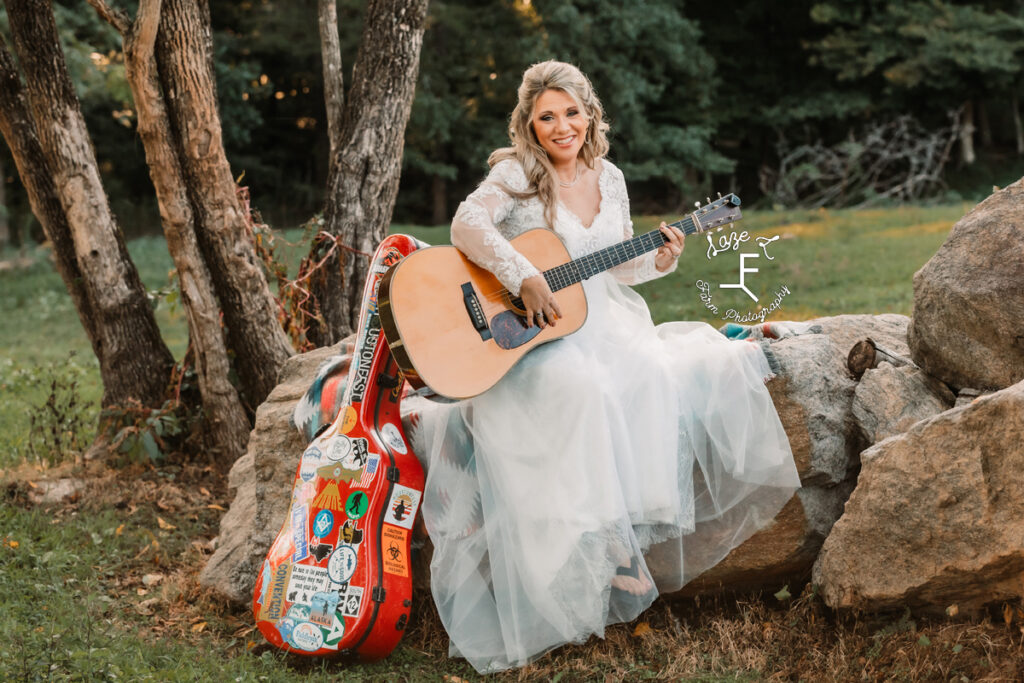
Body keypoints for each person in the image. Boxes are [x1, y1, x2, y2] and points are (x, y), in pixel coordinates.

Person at [412, 60, 800, 673]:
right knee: (582, 388)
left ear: (590, 115)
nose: (561, 127)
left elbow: (613, 264)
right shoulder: (516, 173)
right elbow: (465, 224)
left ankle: (620, 545)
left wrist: (663, 260)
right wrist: (525, 275)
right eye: (547, 116)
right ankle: (598, 551)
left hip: (607, 317)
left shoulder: (609, 175)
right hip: (535, 334)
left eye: (571, 113)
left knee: (649, 373)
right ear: (529, 124)